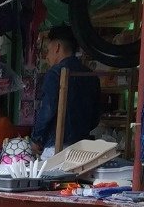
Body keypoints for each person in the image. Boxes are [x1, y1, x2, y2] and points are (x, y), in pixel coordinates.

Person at [31, 25, 101, 154]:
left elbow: (47, 110)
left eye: (48, 49)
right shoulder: (91, 75)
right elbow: (95, 117)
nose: (47, 56)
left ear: (57, 47)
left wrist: (36, 139)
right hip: (83, 148)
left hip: (56, 147)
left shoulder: (55, 73)